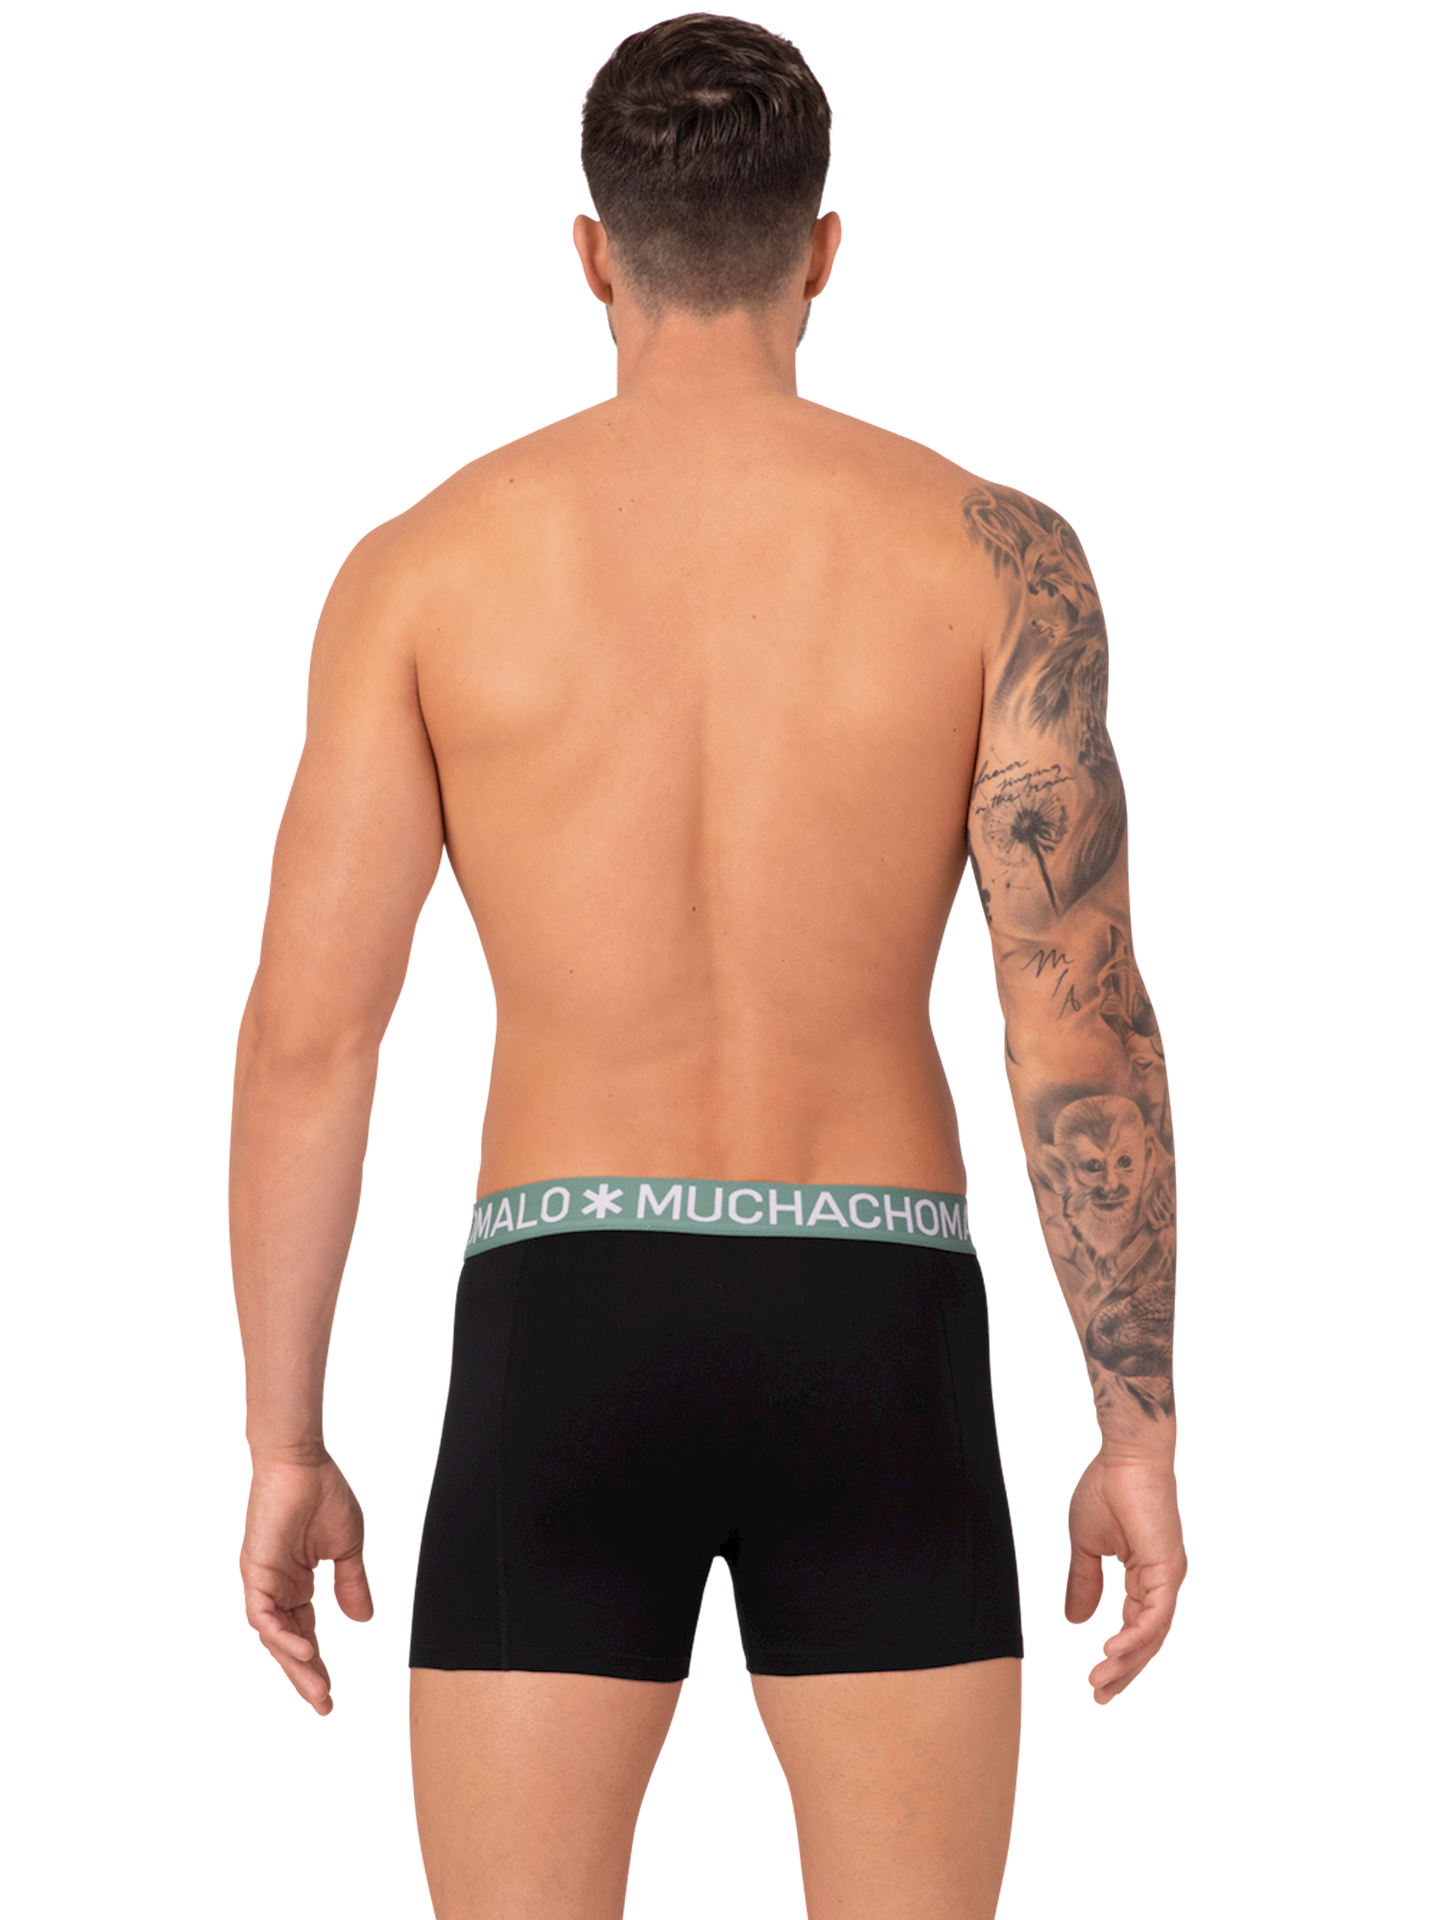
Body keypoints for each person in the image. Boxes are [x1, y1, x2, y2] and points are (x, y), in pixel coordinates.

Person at [229, 11, 1187, 1916]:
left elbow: (309, 1039)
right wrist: (1140, 1431)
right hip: (881, 1314)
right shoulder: (997, 553)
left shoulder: (422, 567)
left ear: (592, 251)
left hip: (559, 1312)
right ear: (825, 246)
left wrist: (283, 1442)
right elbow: (1080, 1025)